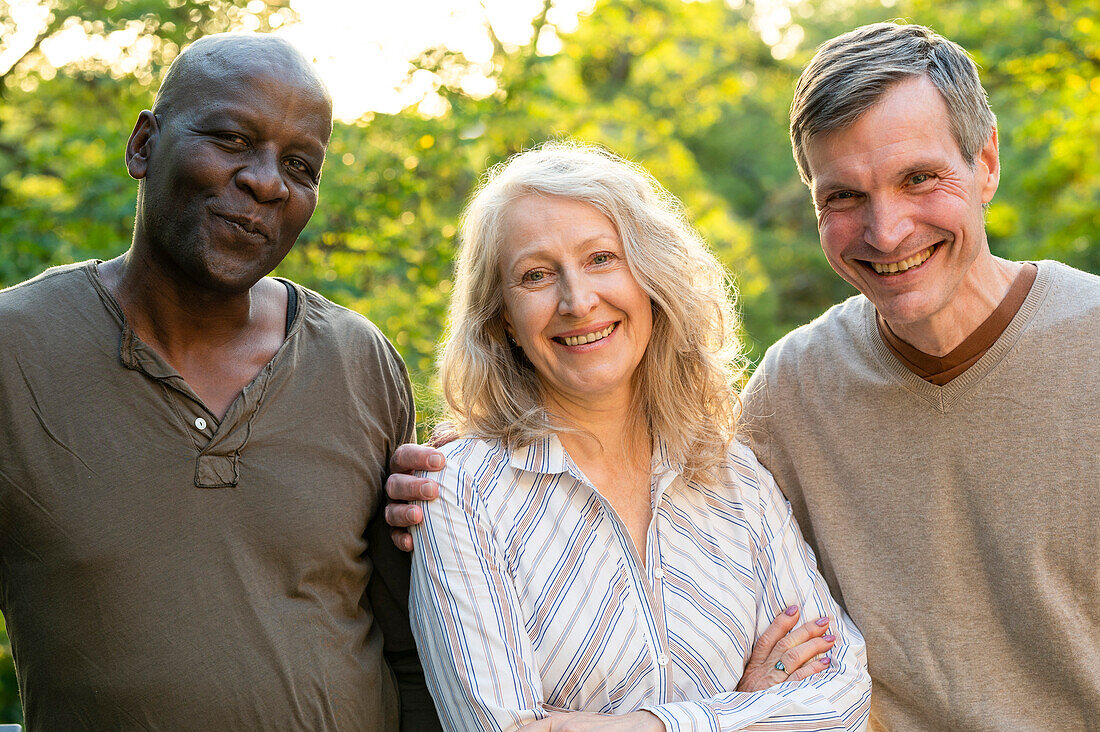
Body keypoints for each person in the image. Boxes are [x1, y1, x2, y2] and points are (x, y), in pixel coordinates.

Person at [387, 22, 1100, 730]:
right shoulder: (795, 390)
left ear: (987, 162)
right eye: (844, 196)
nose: (886, 231)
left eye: (918, 179)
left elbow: (835, 692)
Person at [0, 34, 438, 729]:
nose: (267, 182)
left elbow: (418, 649)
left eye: (300, 165)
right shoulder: (15, 349)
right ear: (144, 145)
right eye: (232, 139)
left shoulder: (360, 363)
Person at [406, 142, 871, 732]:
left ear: (652, 279)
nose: (578, 301)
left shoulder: (732, 474)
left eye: (602, 259)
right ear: (502, 319)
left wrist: (632, 725)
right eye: (536, 275)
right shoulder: (462, 495)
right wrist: (745, 708)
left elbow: (844, 694)